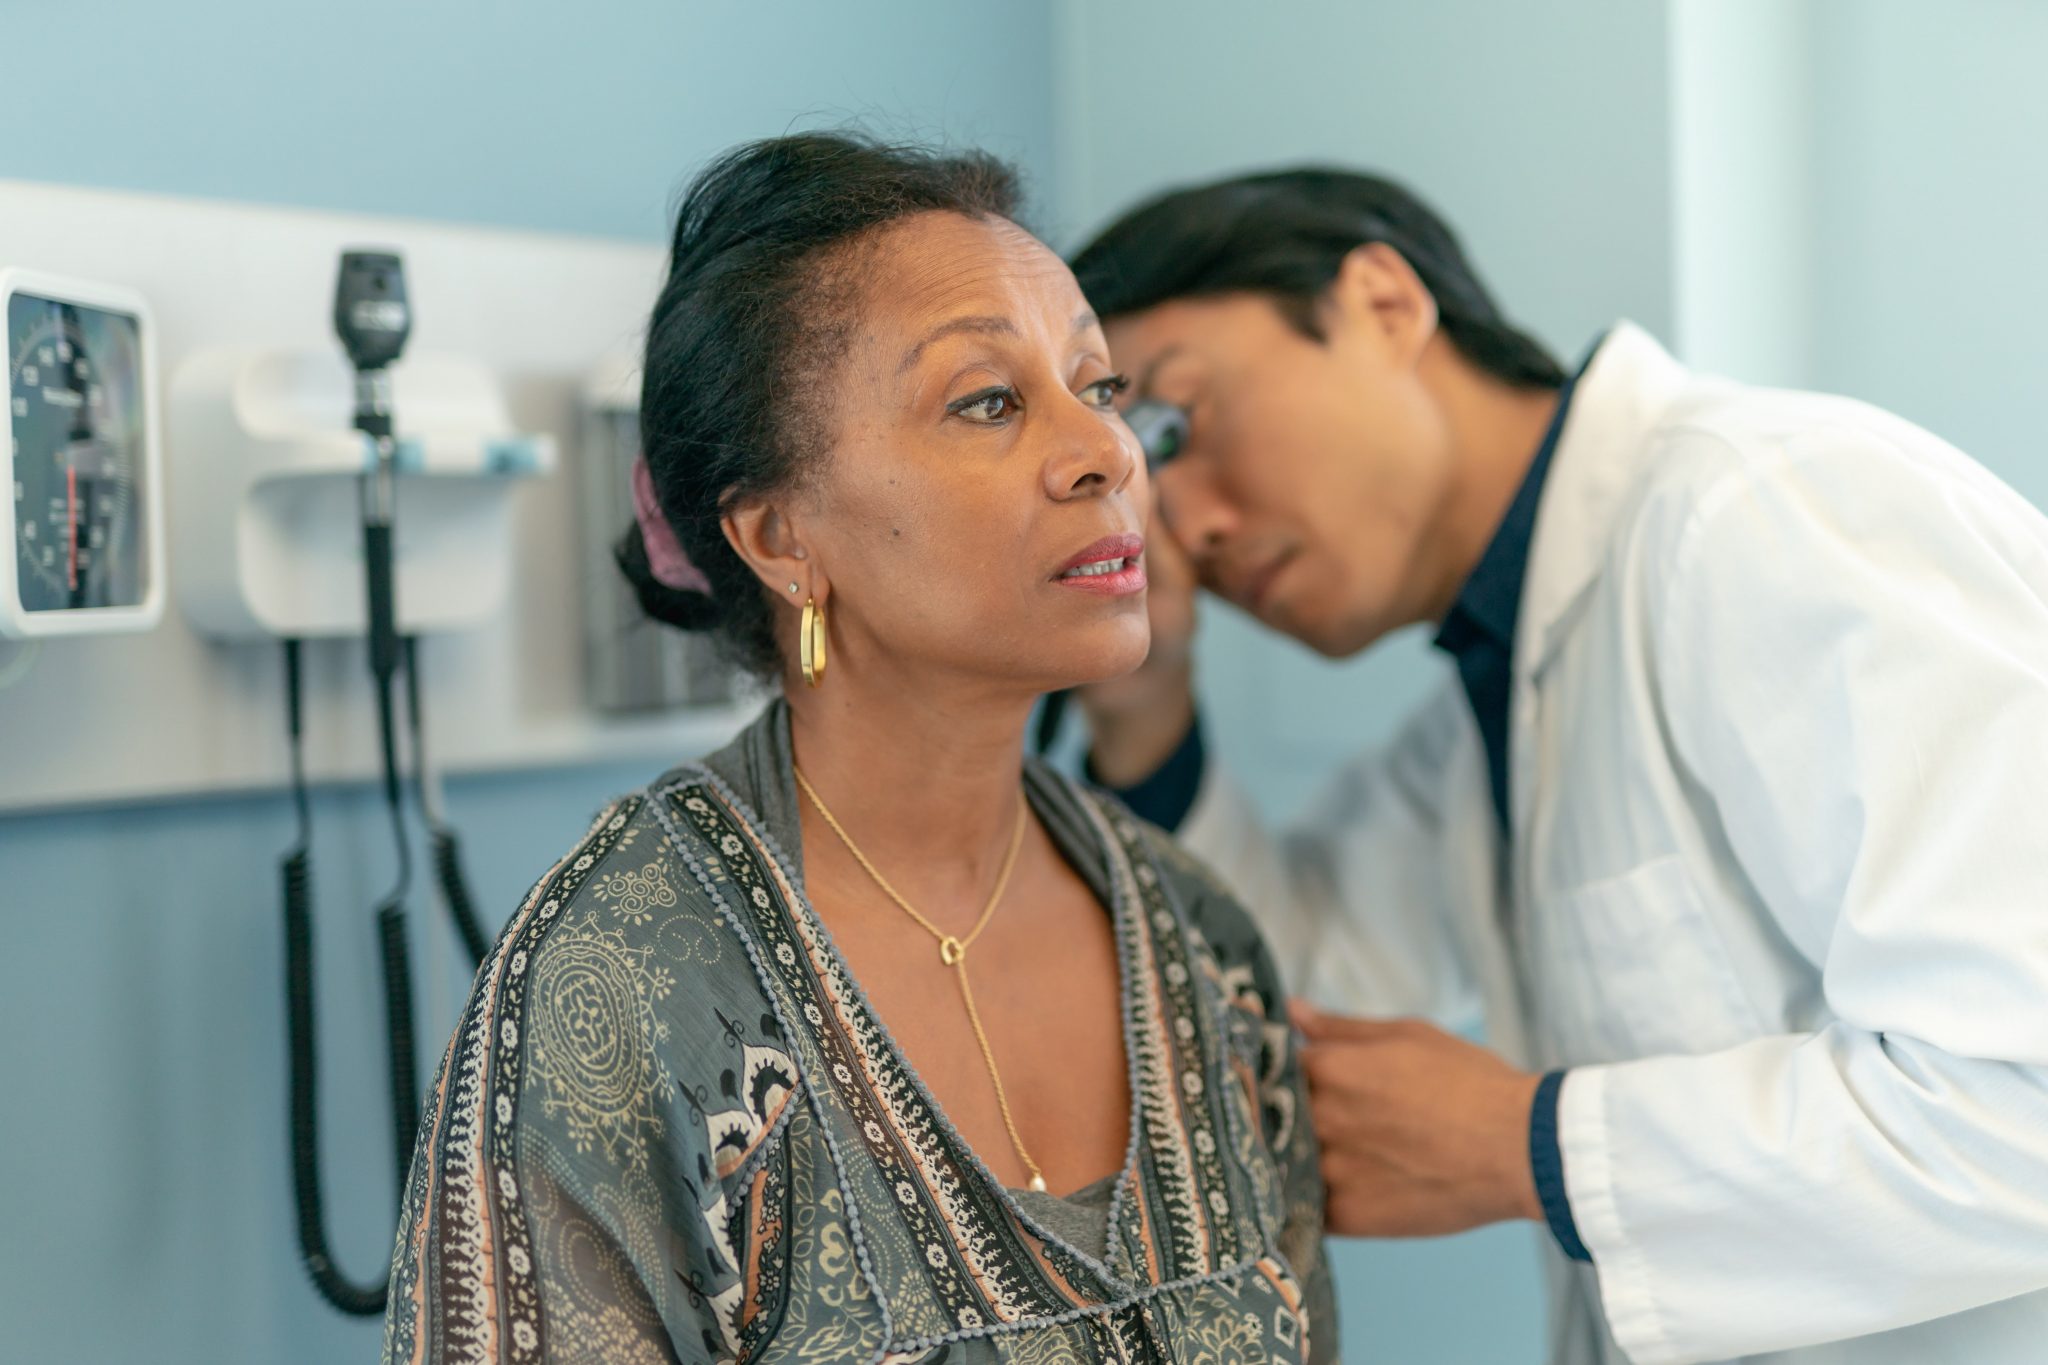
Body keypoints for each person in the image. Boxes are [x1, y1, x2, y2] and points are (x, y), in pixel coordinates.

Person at [1068, 167, 2048, 1365]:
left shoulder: (1759, 516)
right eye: (1138, 490)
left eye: (1173, 426)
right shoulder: (1505, 672)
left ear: (1380, 302)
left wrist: (1530, 1147)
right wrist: (1143, 698)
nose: (1187, 528)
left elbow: (2027, 1095)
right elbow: (1296, 982)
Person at [381, 135, 1333, 1365]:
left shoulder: (1206, 952)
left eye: (1097, 387)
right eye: (988, 400)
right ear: (781, 538)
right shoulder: (616, 1000)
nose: (1108, 452)